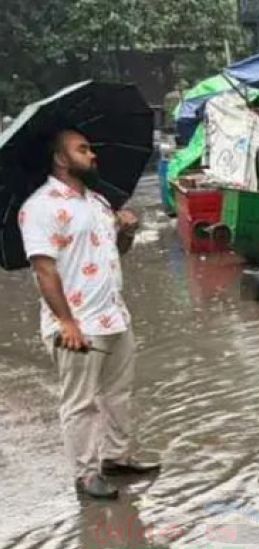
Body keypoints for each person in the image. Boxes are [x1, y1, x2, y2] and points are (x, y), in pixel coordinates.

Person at [20, 130, 161, 500]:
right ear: (61, 160)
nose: (93, 154)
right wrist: (66, 322)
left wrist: (127, 231)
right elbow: (43, 270)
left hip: (114, 316)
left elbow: (114, 252)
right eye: (82, 149)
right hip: (77, 323)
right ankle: (85, 474)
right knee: (80, 403)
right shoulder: (39, 207)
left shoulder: (98, 202)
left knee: (118, 394)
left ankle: (116, 458)